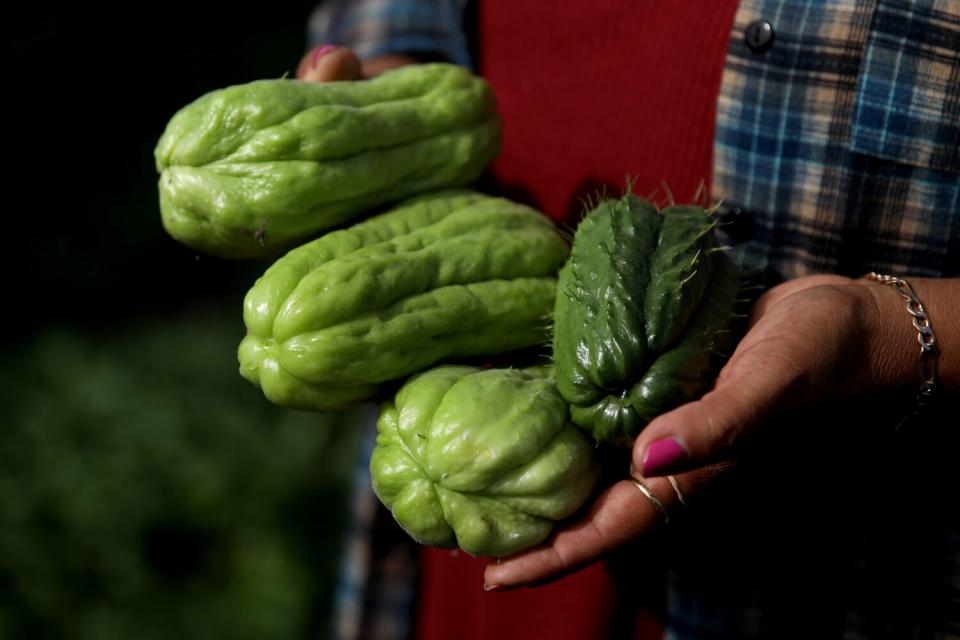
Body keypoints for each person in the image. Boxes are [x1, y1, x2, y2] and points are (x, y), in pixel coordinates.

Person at [298, 1, 960, 638]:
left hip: (842, 546)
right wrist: (393, 114)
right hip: (477, 422)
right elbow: (399, 22)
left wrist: (892, 329)